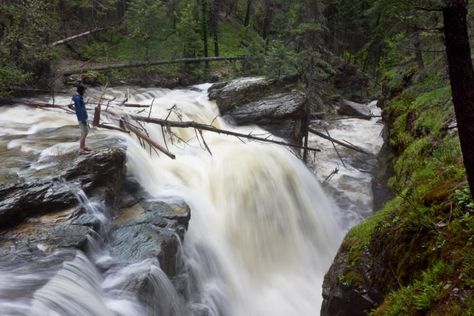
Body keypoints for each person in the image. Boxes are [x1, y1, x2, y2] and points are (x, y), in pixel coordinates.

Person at [72, 84, 91, 154]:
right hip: (82, 118)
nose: (84, 91)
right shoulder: (78, 98)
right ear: (81, 90)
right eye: (84, 90)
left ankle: (83, 146)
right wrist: (83, 119)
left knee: (84, 132)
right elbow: (80, 110)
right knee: (84, 133)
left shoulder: (78, 97)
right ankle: (81, 149)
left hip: (83, 117)